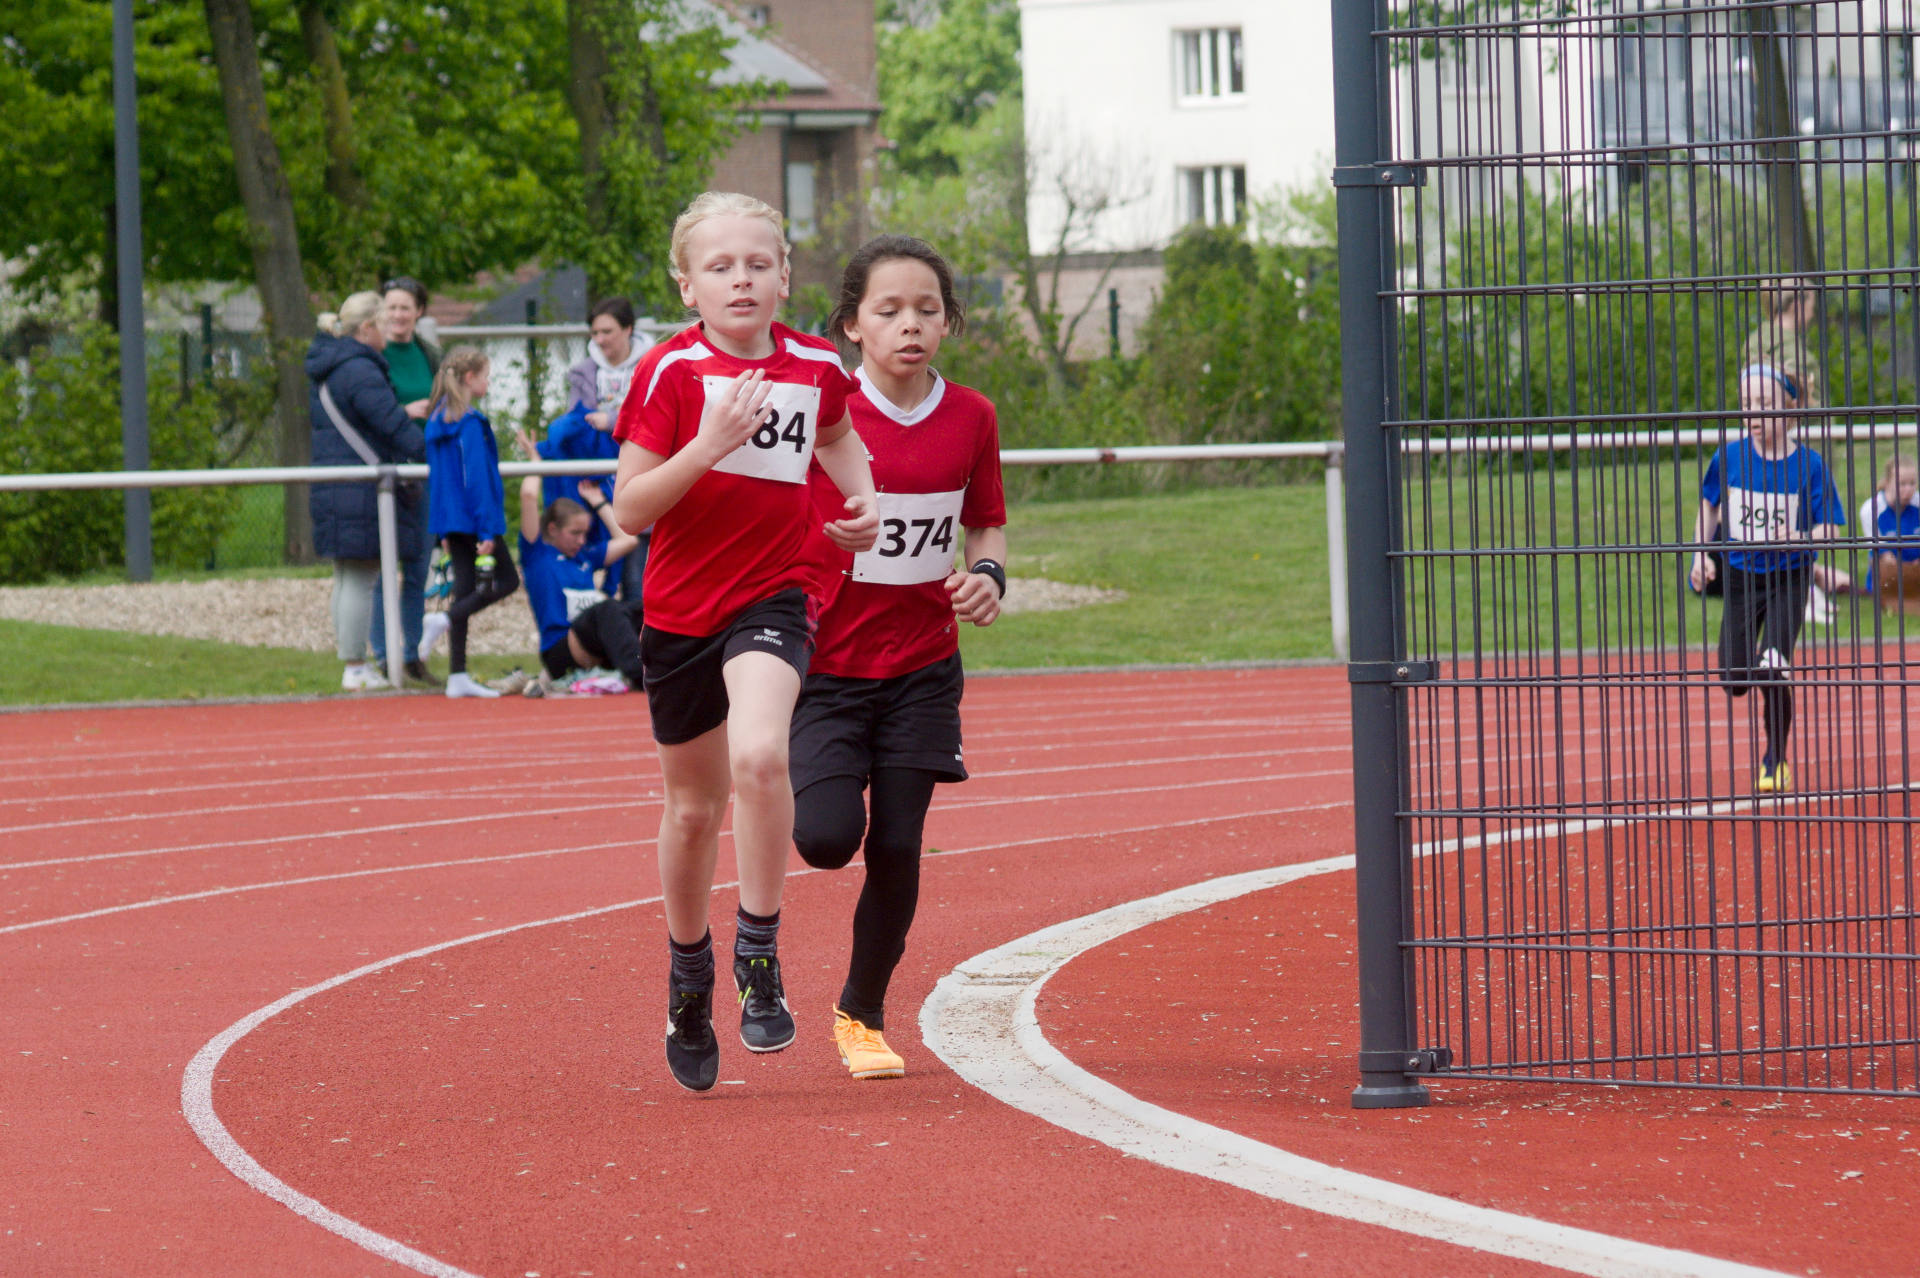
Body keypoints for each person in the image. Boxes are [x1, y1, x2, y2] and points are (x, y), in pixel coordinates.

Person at [610, 191, 878, 1093]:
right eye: (720, 267)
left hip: (776, 593)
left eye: (758, 264)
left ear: (785, 277)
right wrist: (710, 443)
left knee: (763, 756)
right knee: (693, 812)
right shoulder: (668, 375)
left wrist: (862, 508)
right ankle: (690, 973)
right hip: (681, 610)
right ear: (688, 287)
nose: (741, 280)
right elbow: (631, 508)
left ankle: (756, 953)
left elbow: (842, 443)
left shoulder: (813, 364)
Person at [790, 235, 1007, 1081]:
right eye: (889, 311)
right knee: (826, 840)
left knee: (900, 845)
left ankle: (862, 1013)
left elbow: (984, 520)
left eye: (927, 310)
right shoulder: (822, 416)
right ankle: (779, 768)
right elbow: (771, 518)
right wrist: (829, 536)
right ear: (851, 326)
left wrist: (986, 574)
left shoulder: (973, 417)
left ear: (948, 323)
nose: (910, 326)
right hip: (827, 668)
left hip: (921, 667)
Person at [1689, 363, 1845, 794]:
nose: (1753, 414)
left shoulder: (1809, 466)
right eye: (1745, 405)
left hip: (1788, 579)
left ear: (1790, 411)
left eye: (1764, 404)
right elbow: (1709, 504)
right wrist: (1701, 554)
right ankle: (1753, 674)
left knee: (1773, 667)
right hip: (1741, 577)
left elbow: (1831, 527)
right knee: (1736, 680)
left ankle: (1775, 758)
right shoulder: (1729, 457)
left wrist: (1797, 536)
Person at [305, 291, 429, 691]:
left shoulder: (331, 365)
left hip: (336, 481)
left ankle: (353, 662)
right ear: (367, 328)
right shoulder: (359, 369)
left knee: (347, 577)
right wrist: (429, 449)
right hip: (358, 486)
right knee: (360, 576)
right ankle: (355, 666)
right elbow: (389, 424)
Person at [420, 347, 520, 699]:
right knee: (507, 580)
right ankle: (444, 620)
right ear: (469, 378)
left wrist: (443, 529)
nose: (488, 382)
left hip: (450, 518)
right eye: (485, 375)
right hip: (474, 519)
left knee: (464, 587)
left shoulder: (435, 421)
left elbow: (440, 479)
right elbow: (477, 479)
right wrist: (488, 529)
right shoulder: (470, 423)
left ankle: (457, 673)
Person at [371, 275, 444, 686]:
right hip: (388, 471)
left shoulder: (429, 354)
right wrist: (404, 411)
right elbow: (368, 407)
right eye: (391, 307)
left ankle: (413, 651)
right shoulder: (372, 355)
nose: (398, 315)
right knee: (385, 566)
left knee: (419, 566)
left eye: (405, 307)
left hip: (426, 467)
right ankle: (383, 653)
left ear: (419, 312)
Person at [516, 476, 646, 692]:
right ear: (552, 529)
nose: (581, 541)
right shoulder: (537, 557)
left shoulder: (584, 558)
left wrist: (599, 502)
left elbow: (629, 540)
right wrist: (534, 461)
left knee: (642, 608)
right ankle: (641, 675)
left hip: (597, 643)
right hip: (560, 652)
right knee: (607, 608)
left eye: (585, 533)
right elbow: (529, 495)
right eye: (575, 533)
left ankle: (673, 666)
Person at [564, 297, 652, 603]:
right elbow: (575, 420)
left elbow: (658, 414)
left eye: (607, 331)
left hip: (640, 476)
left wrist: (612, 420)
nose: (599, 340)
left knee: (637, 584)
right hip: (599, 480)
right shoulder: (582, 372)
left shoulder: (653, 364)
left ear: (628, 329)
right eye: (594, 332)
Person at [1859, 454, 1920, 612]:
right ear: (1887, 483)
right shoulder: (1871, 510)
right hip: (1890, 570)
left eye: (1912, 483)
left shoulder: (1917, 504)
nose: (1908, 489)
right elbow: (1880, 552)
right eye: (1902, 484)